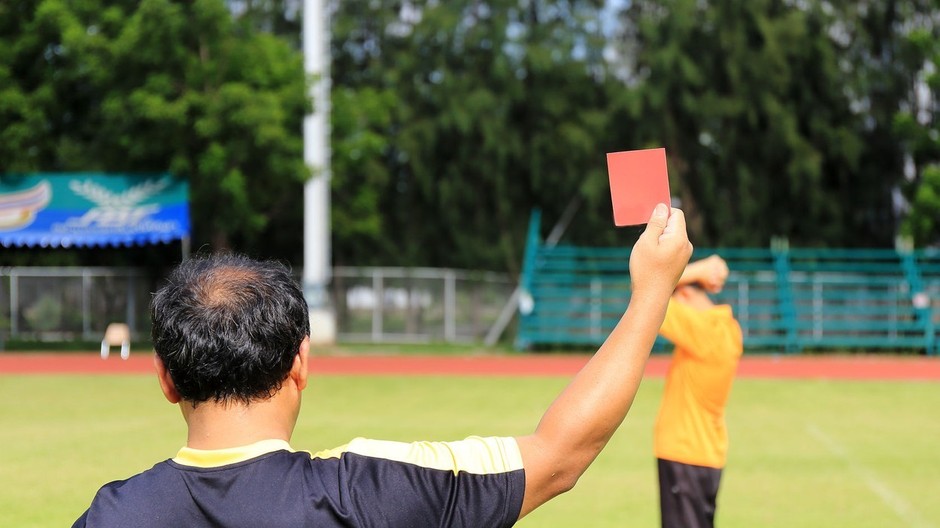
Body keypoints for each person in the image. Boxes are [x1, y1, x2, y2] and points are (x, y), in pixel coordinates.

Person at [73, 203, 692, 528]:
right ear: (300, 362)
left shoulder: (112, 516)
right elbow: (560, 455)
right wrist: (650, 294)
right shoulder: (371, 492)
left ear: (165, 376)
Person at [653, 254, 744, 528]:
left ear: (683, 295)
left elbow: (649, 290)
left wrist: (697, 269)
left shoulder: (703, 330)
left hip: (684, 452)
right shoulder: (728, 329)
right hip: (708, 454)